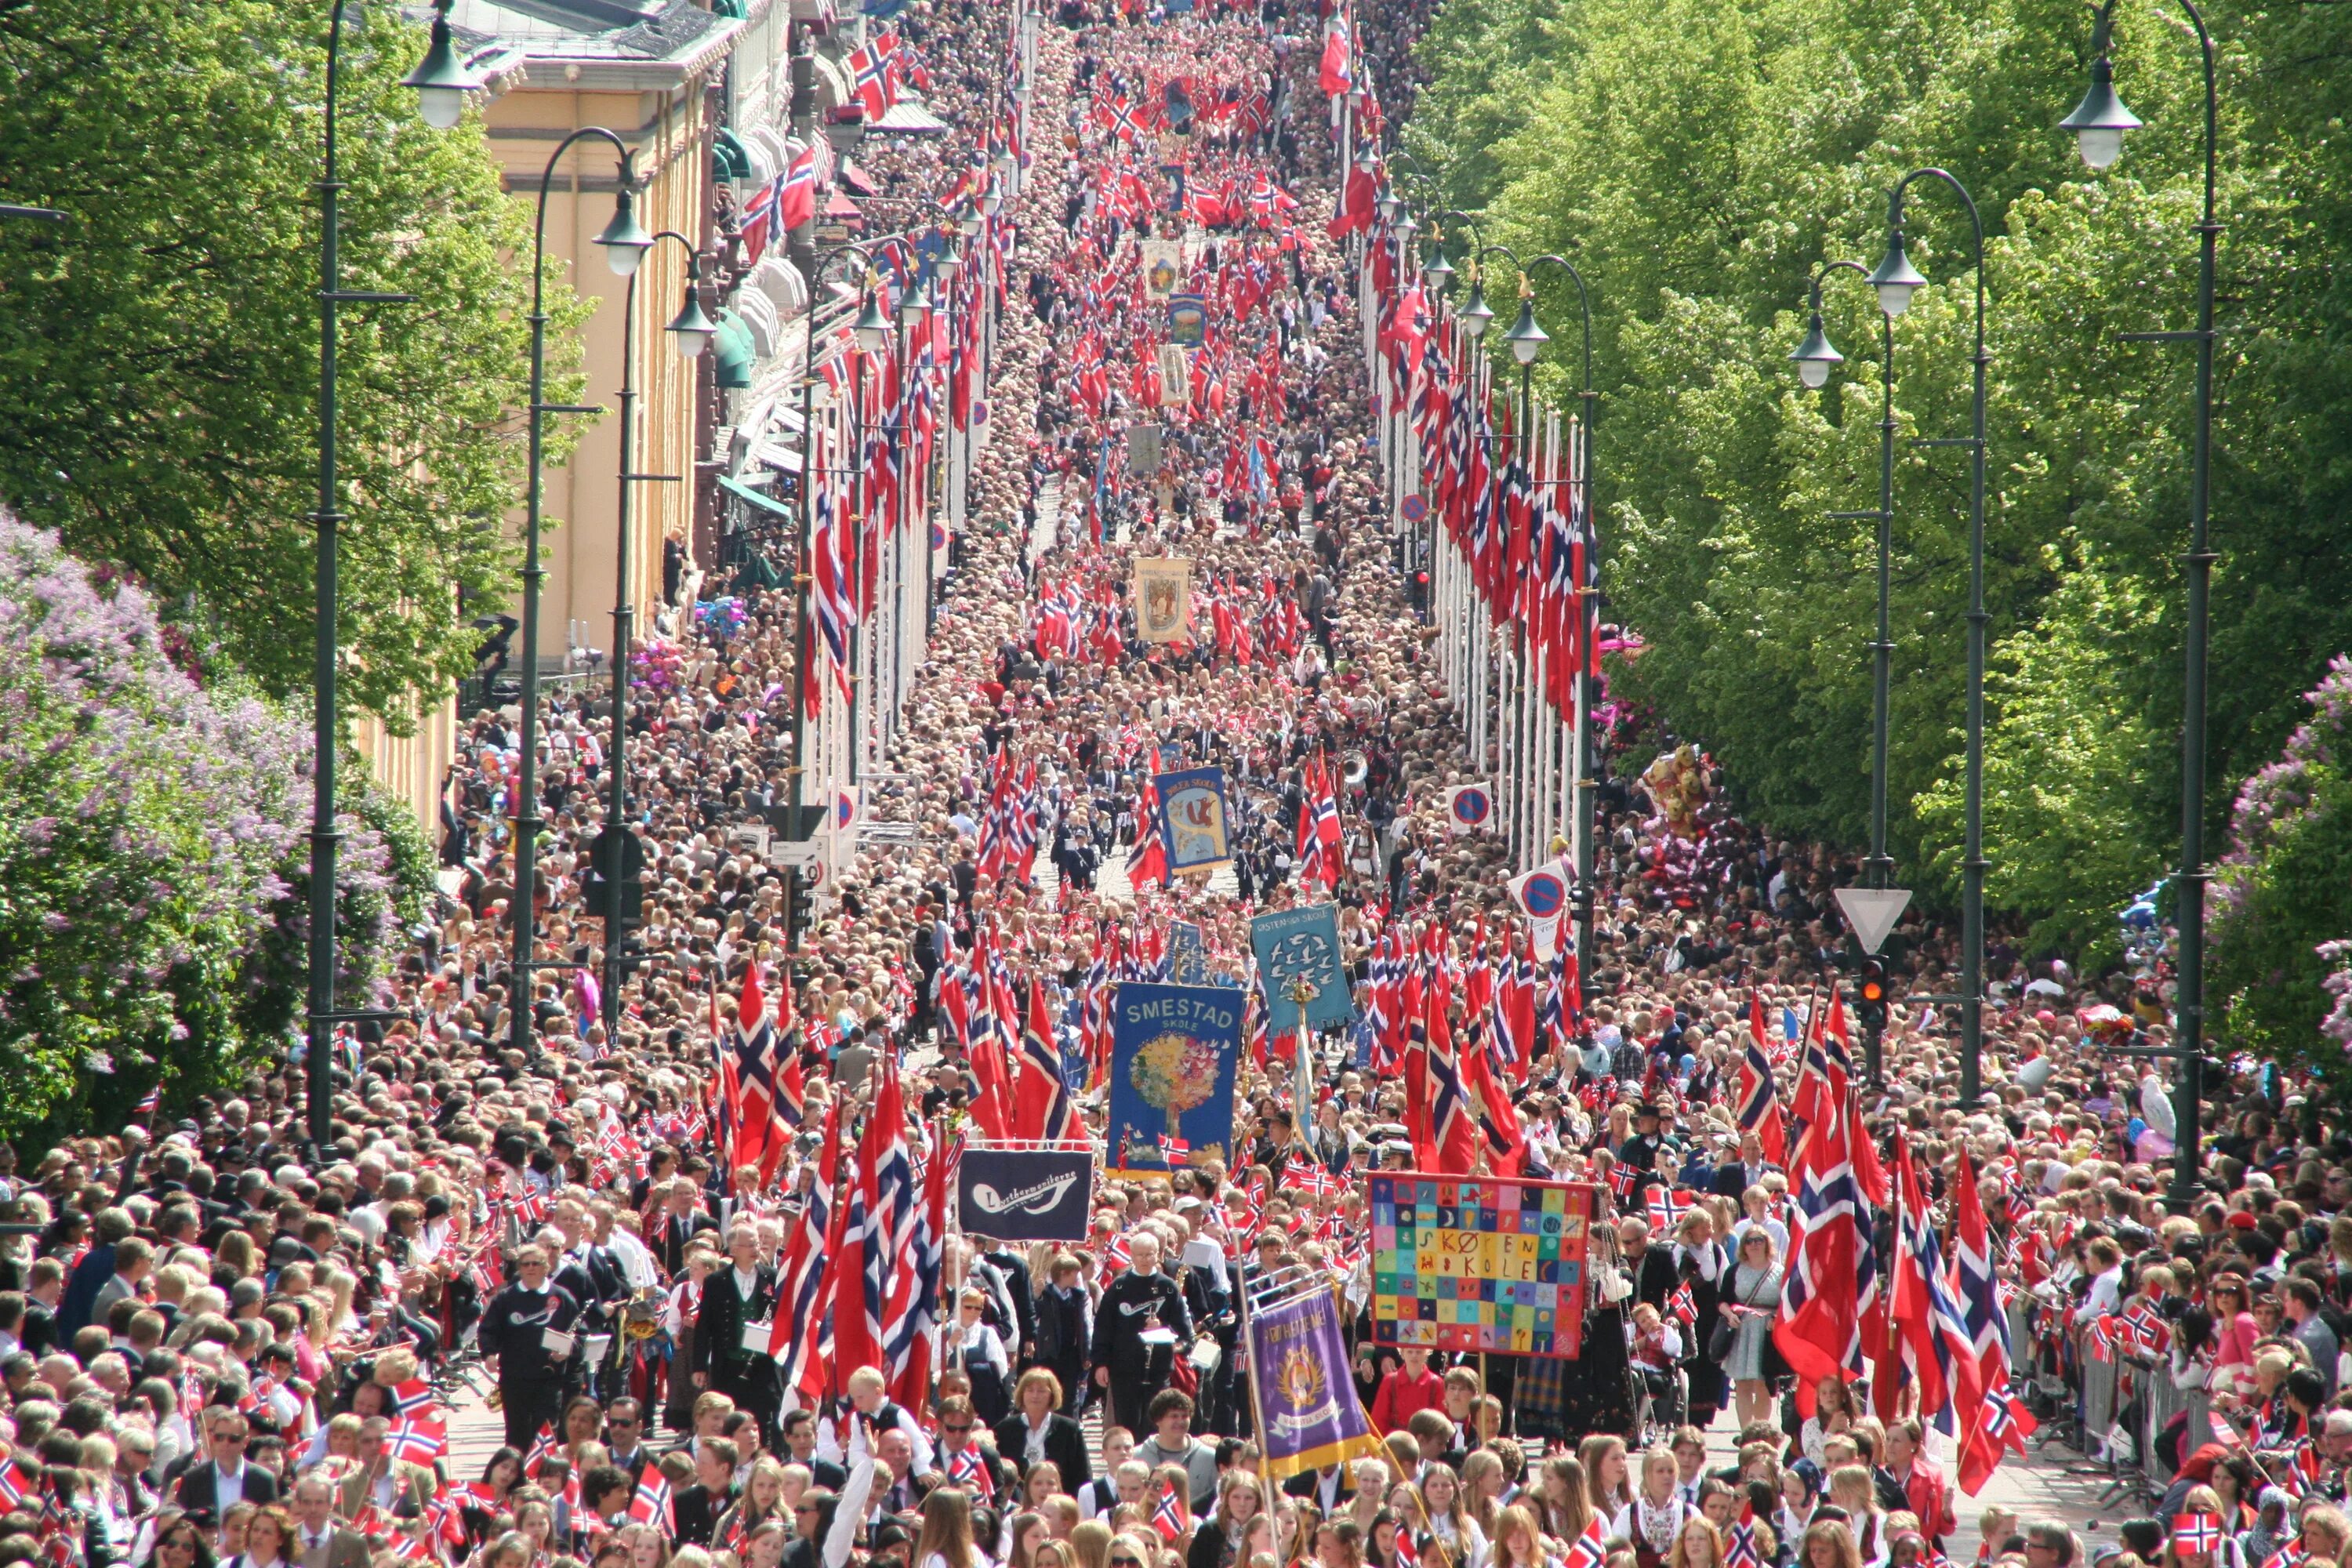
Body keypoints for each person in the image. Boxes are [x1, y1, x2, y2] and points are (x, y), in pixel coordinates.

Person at [480, 1244, 584, 1451]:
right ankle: (517, 1478)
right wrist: (489, 1353)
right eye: (525, 1264)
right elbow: (489, 1329)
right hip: (514, 1376)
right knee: (517, 1432)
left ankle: (543, 1477)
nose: (530, 1268)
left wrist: (569, 1349)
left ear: (546, 1267)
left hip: (550, 1376)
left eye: (536, 1263)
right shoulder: (506, 1298)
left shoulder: (562, 1297)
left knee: (545, 1430)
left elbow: (581, 1333)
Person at [996, 1369, 1090, 1490]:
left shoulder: (1068, 1429)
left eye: (1041, 1391)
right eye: (1030, 1390)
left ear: (1052, 1396)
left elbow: (1082, 1474)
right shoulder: (1005, 1429)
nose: (1035, 1395)